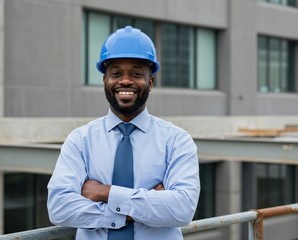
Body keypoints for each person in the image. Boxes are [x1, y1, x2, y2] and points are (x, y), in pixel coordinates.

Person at [47, 26, 200, 240]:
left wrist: (105, 193)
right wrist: (138, 209)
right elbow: (59, 208)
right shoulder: (80, 140)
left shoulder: (176, 140)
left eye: (136, 73)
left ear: (150, 82)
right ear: (105, 81)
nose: (125, 81)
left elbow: (182, 209)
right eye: (116, 73)